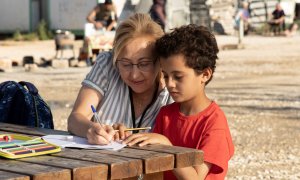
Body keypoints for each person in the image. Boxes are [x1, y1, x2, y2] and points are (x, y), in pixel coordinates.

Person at [123, 24, 234, 179]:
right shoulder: (166, 114)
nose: (170, 84)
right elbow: (152, 168)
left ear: (205, 75)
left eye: (178, 77)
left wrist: (168, 147)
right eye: (166, 76)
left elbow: (194, 178)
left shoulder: (214, 123)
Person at [68, 13, 172, 145]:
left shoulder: (173, 85)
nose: (134, 75)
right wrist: (92, 129)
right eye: (126, 64)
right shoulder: (107, 64)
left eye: (144, 63)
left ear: (160, 61)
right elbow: (75, 119)